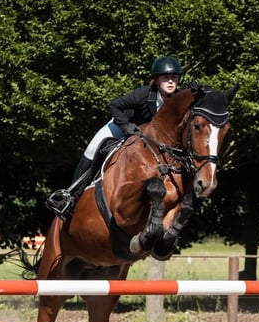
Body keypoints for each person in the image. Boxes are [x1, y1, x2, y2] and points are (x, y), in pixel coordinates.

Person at [45, 55, 184, 218]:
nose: (170, 82)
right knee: (92, 149)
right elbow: (115, 105)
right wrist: (125, 125)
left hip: (148, 137)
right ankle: (70, 196)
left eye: (174, 78)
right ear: (157, 80)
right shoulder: (143, 94)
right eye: (166, 78)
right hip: (121, 125)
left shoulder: (177, 99)